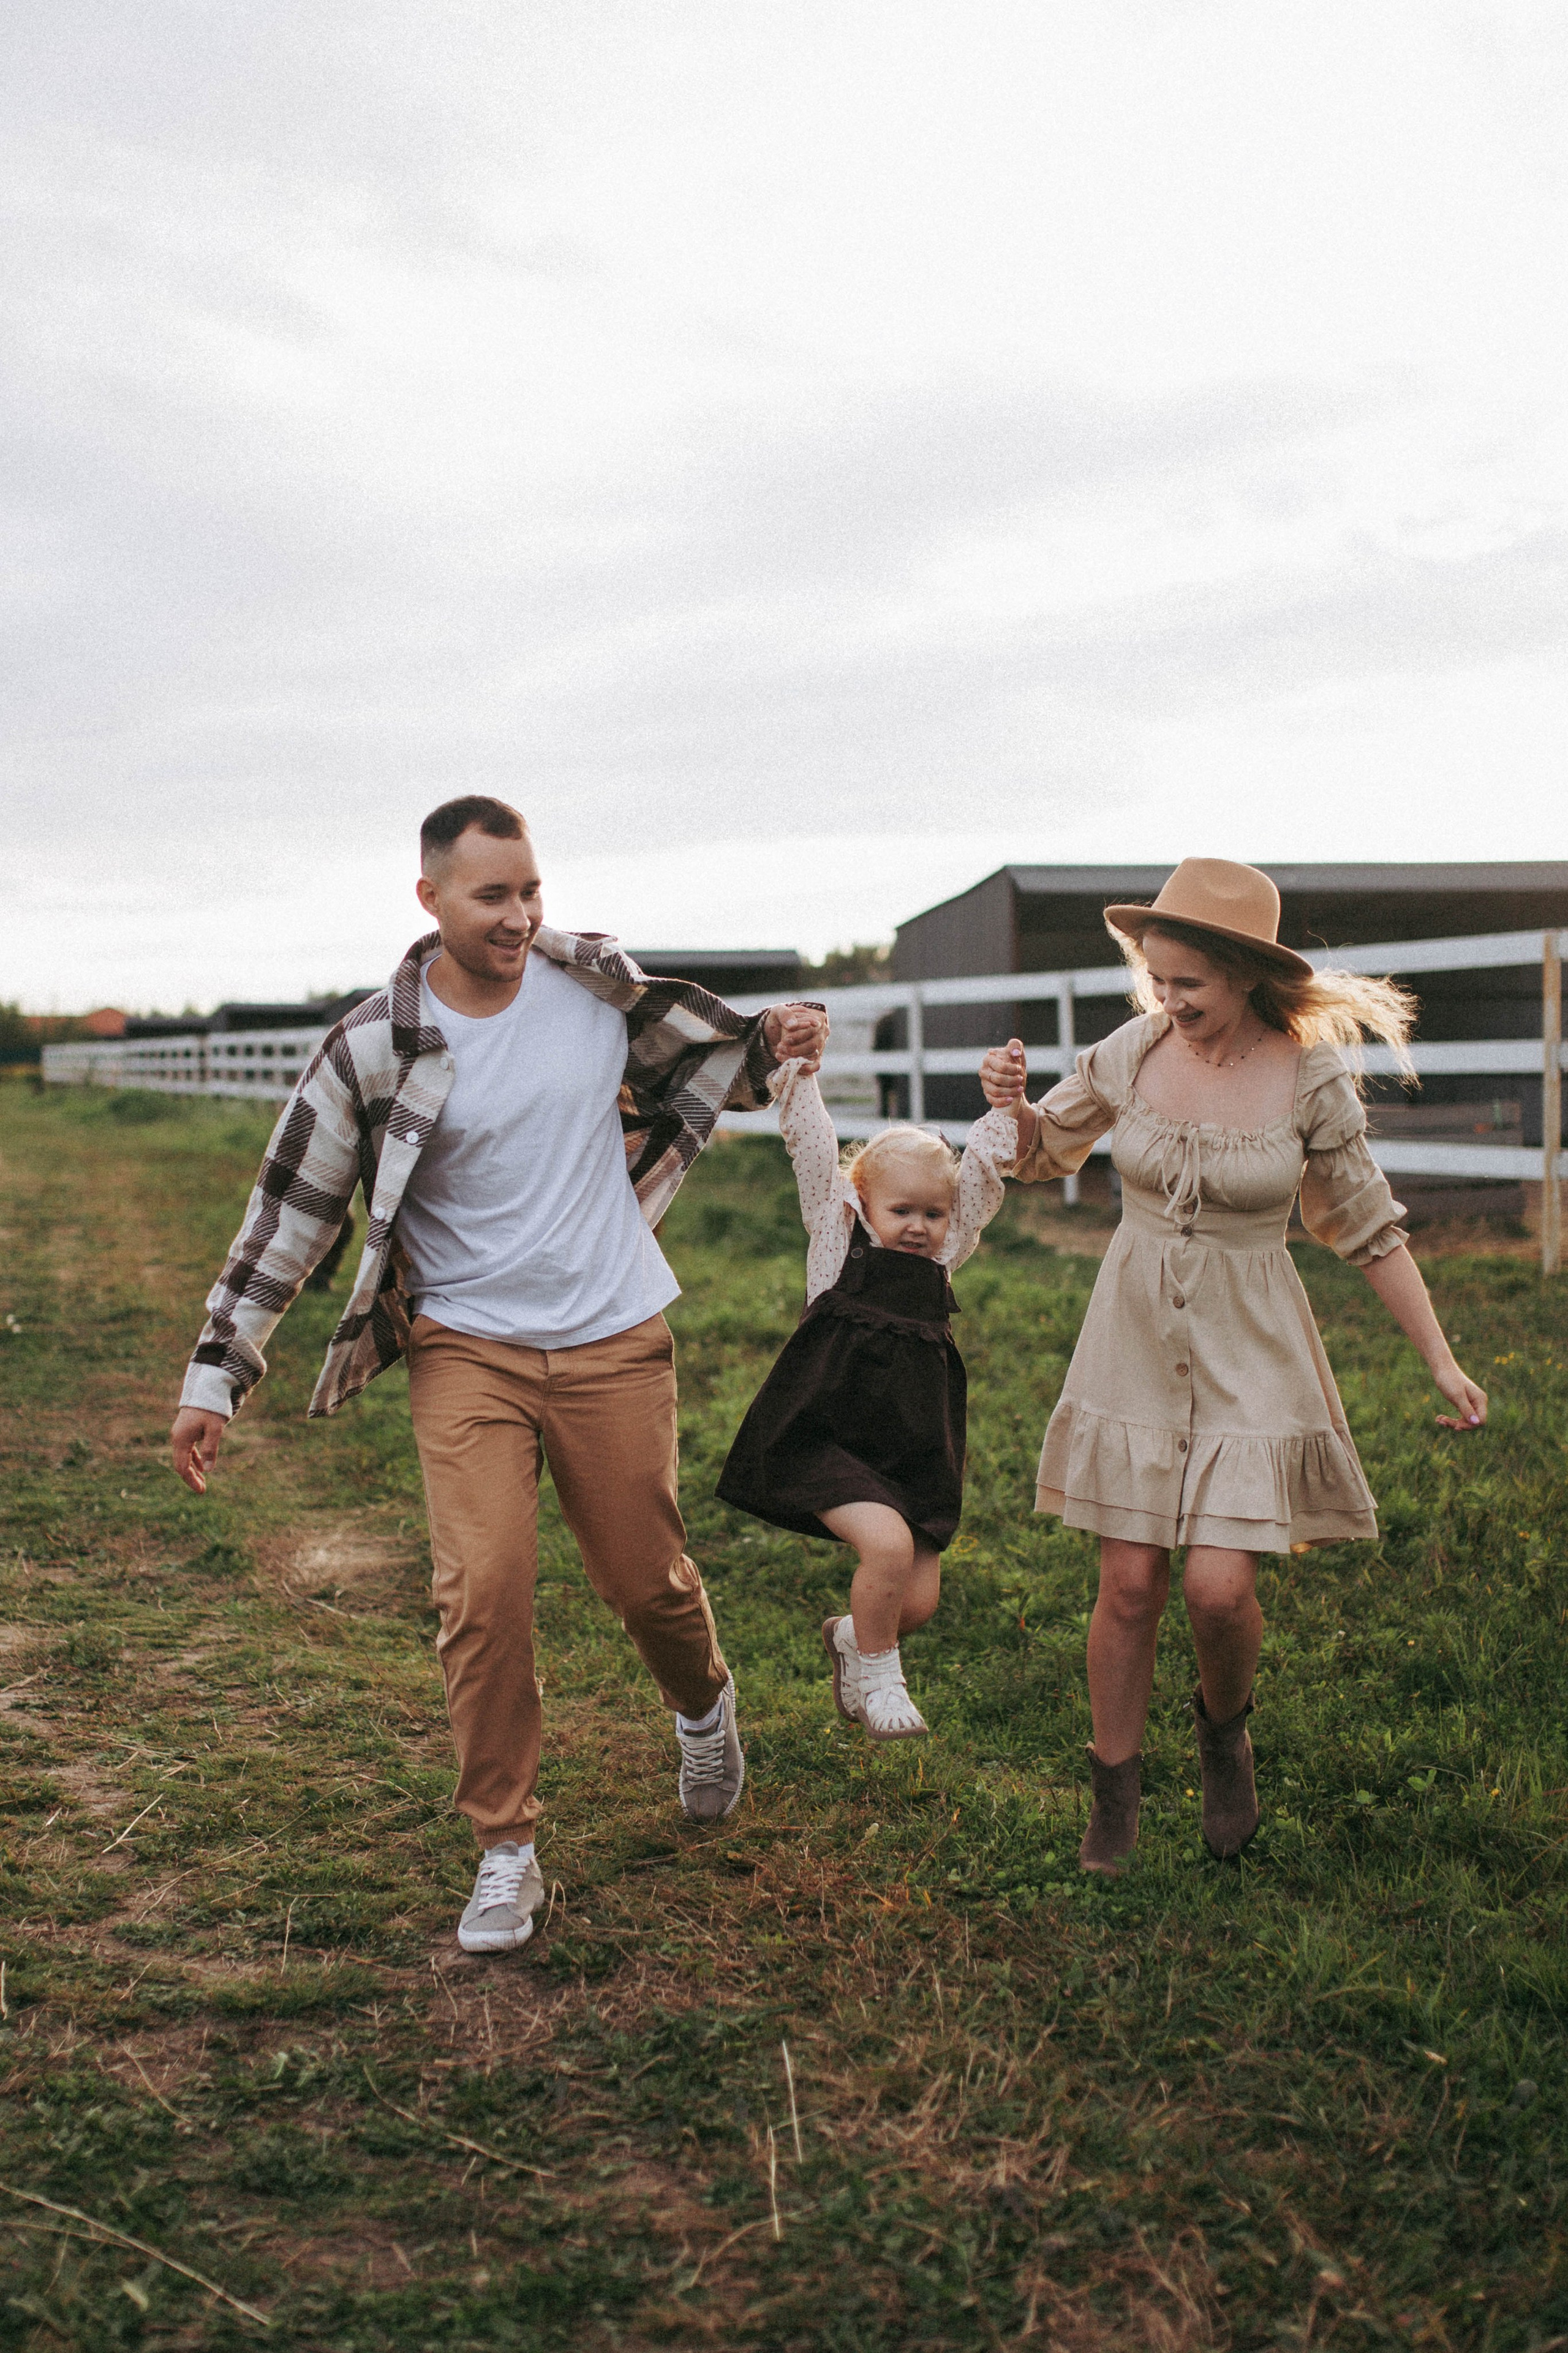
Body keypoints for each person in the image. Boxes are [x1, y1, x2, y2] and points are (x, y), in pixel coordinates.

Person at [169, 796, 828, 1953]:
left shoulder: (596, 990)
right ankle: (506, 1851)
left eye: (531, 890)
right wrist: (217, 1373)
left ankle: (703, 1705)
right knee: (482, 1593)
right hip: (467, 1345)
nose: (521, 915)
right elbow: (295, 1209)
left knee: (644, 1581)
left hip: (613, 1332)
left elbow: (723, 1055)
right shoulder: (378, 1042)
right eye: (493, 896)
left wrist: (782, 1037)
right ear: (430, 900)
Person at [978, 858, 1487, 1876]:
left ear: (1248, 976)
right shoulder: (1133, 1050)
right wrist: (1013, 1108)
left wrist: (1440, 1358)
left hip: (1252, 1341)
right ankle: (1113, 1795)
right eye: (1158, 982)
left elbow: (1369, 1228)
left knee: (1216, 1589)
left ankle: (1223, 1736)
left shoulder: (1308, 1076)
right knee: (1129, 1582)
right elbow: (1042, 1155)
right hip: (1133, 1332)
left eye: (1188, 987)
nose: (1169, 1003)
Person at [716, 1058, 1017, 1737]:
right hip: (833, 1434)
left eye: (932, 1213)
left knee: (915, 1600)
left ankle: (856, 1636)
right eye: (901, 1210)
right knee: (884, 1548)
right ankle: (881, 1680)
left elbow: (982, 1181)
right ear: (861, 1202)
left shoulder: (943, 1259)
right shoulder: (836, 1241)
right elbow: (815, 1149)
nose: (917, 1226)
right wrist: (796, 1073)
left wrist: (1003, 1110)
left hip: (915, 1447)